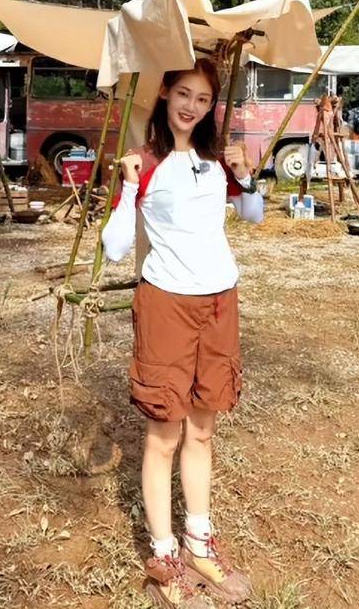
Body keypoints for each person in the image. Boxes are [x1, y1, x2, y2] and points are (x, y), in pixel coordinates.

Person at [102, 57, 263, 609]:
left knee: (203, 429)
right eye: (183, 94)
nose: (192, 106)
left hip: (220, 301)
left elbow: (255, 215)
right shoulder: (145, 161)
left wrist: (247, 173)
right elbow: (115, 248)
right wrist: (129, 188)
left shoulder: (217, 160)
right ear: (166, 95)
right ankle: (164, 555)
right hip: (166, 303)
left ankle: (199, 542)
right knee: (164, 433)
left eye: (203, 98)